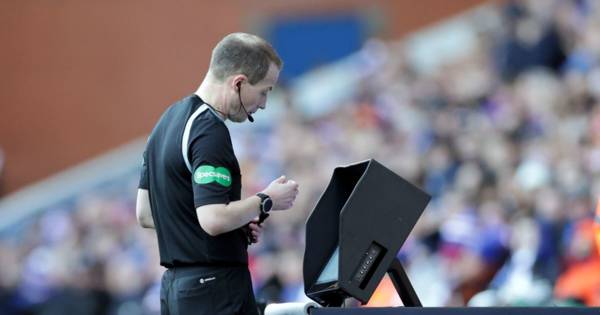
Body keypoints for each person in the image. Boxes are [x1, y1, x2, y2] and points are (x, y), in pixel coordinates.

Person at [136, 32, 299, 315]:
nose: (262, 104)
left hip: (177, 291)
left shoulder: (165, 121)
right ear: (238, 82)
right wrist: (266, 200)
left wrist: (233, 227)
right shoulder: (209, 130)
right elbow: (212, 219)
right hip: (213, 289)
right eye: (264, 91)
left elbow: (147, 213)